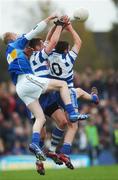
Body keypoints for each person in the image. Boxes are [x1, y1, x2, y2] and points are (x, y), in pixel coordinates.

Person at [4, 15, 82, 165]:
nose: (19, 36)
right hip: (34, 86)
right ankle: (72, 112)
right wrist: (54, 21)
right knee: (62, 85)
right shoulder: (26, 50)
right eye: (16, 35)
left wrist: (54, 27)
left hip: (29, 89)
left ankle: (47, 151)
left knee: (56, 122)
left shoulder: (12, 52)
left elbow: (46, 40)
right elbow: (44, 38)